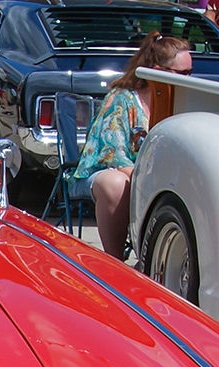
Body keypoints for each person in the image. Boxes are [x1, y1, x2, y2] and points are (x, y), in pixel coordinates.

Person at [72, 33, 193, 259]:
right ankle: (114, 259)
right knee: (117, 183)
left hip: (153, 177)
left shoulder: (183, 102)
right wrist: (146, 179)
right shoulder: (122, 99)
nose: (188, 79)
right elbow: (113, 155)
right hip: (109, 173)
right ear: (157, 70)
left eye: (191, 73)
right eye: (183, 74)